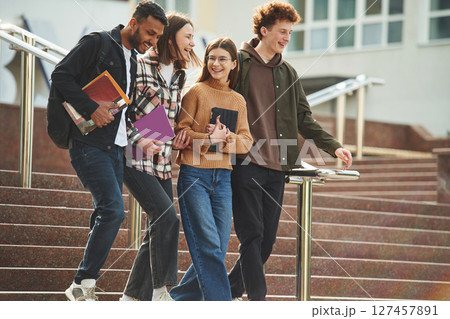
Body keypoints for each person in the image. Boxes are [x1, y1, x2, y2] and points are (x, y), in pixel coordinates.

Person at [228, 1, 353, 301]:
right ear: (264, 31)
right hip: (245, 162)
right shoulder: (239, 63)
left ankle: (227, 290)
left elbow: (304, 119)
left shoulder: (288, 72)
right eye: (282, 31)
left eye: (290, 32)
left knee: (266, 241)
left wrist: (334, 147)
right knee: (252, 235)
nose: (286, 37)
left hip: (278, 166)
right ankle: (258, 301)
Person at [51, 0, 168, 301]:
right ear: (133, 23)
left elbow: (123, 111)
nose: (153, 41)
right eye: (150, 33)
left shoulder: (131, 59)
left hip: (116, 148)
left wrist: (142, 139)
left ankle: (83, 285)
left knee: (106, 212)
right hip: (89, 145)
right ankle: (82, 283)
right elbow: (61, 75)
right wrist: (91, 107)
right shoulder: (98, 42)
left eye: (157, 37)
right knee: (114, 211)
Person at [120, 12, 201, 302]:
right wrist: (138, 138)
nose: (193, 42)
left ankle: (130, 299)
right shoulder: (138, 65)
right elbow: (120, 112)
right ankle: (161, 291)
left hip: (162, 161)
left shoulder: (179, 76)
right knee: (167, 219)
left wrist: (178, 136)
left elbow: (166, 118)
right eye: (188, 36)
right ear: (171, 37)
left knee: (158, 225)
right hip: (133, 157)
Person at [169, 38, 253, 301]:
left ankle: (179, 299)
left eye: (222, 59)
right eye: (211, 58)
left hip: (224, 178)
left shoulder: (238, 100)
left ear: (233, 64)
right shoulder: (196, 92)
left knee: (216, 247)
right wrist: (208, 140)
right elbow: (180, 132)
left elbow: (247, 142)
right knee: (208, 245)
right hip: (195, 174)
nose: (216, 64)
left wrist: (225, 139)